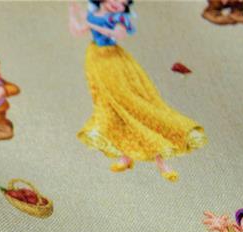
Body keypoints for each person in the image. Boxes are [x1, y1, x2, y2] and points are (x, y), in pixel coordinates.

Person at [69, 0, 206, 181]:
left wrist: (91, 24)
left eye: (123, 3)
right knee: (111, 107)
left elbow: (118, 34)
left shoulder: (118, 18)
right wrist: (73, 12)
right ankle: (126, 156)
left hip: (114, 61)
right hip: (96, 60)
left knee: (131, 105)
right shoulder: (93, 15)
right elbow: (78, 31)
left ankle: (161, 161)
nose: (118, 4)